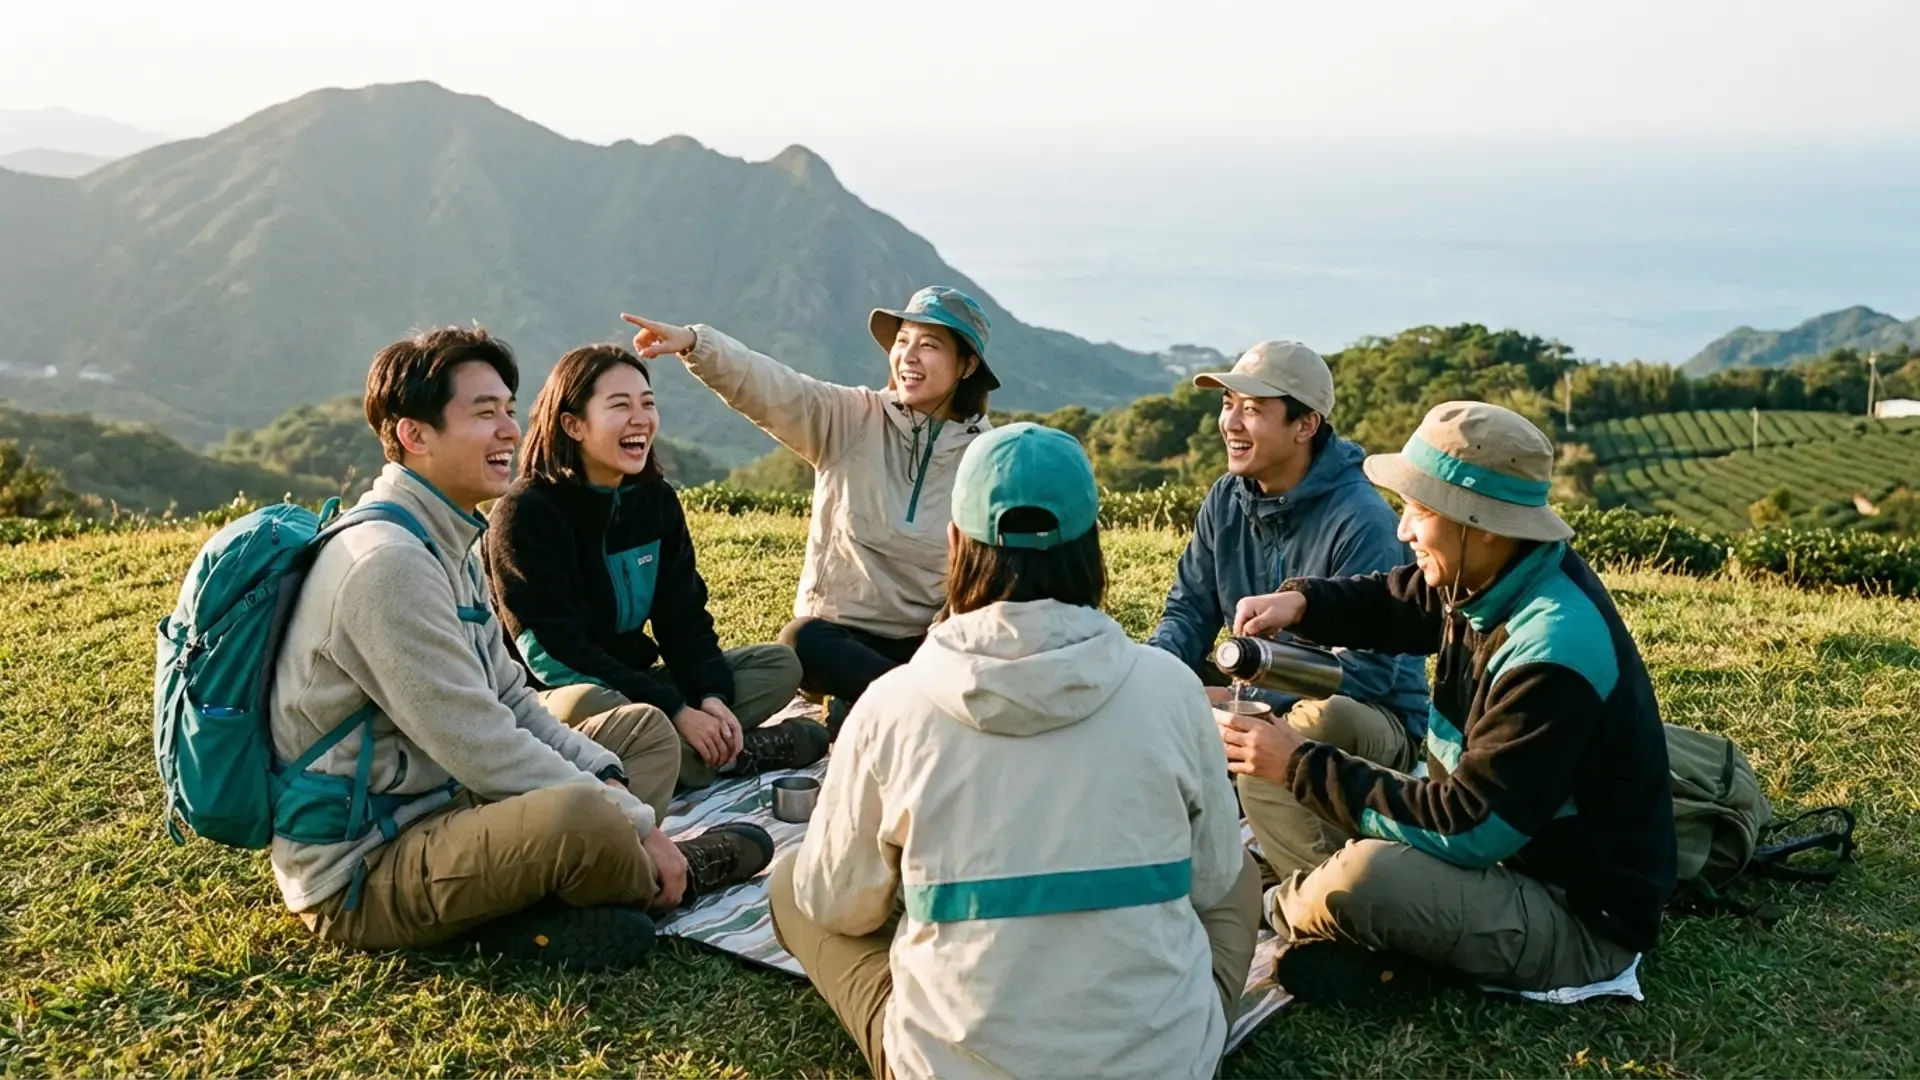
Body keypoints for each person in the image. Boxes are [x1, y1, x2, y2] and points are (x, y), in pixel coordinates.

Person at [768, 423, 1261, 1080]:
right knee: (1242, 876)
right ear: (1093, 549)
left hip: (952, 1068)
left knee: (794, 882)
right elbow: (1209, 882)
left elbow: (837, 904)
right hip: (1163, 1064)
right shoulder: (1171, 690)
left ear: (955, 546)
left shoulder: (893, 705)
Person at [268, 327, 772, 970]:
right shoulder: (387, 567)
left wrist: (611, 781)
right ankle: (656, 879)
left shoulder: (445, 538)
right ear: (412, 435)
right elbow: (483, 744)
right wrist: (634, 821)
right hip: (371, 864)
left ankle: (570, 893)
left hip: (450, 801)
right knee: (583, 815)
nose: (511, 429)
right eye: (485, 413)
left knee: (638, 742)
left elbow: (511, 698)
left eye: (509, 408)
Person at [1223, 401, 1676, 1004]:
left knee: (1364, 874)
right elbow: (1402, 601)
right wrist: (1304, 603)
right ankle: (1347, 915)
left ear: (1480, 520)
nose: (1404, 530)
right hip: (1490, 849)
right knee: (1282, 746)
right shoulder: (1497, 571)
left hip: (1571, 914)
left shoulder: (1555, 649)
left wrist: (1302, 766)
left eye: (1418, 511)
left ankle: (1289, 906)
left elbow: (1469, 826)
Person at [621, 286, 995, 735]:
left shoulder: (983, 456)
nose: (908, 357)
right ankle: (919, 708)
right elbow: (777, 390)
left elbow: (984, 573)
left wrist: (947, 638)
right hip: (841, 637)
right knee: (801, 640)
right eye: (902, 341)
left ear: (967, 365)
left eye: (929, 345)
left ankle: (873, 704)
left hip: (927, 642)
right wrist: (697, 344)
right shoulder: (852, 417)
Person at [1147, 340, 1429, 879]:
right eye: (1228, 403)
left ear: (1305, 425)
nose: (1232, 422)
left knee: (1317, 719)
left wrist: (1240, 701)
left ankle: (1321, 891)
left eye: (1253, 409)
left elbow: (1367, 674)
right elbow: (1187, 612)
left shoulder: (1361, 518)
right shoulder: (1225, 499)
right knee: (1150, 694)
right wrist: (1156, 675)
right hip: (1250, 690)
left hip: (1371, 717)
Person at [486, 343, 826, 790]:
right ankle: (735, 754)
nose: (641, 418)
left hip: (640, 686)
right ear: (572, 424)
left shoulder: (655, 501)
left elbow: (682, 617)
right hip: (554, 699)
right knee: (589, 703)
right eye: (620, 405)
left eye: (647, 403)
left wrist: (711, 697)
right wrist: (674, 710)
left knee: (778, 664)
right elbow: (552, 656)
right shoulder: (526, 514)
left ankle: (698, 750)